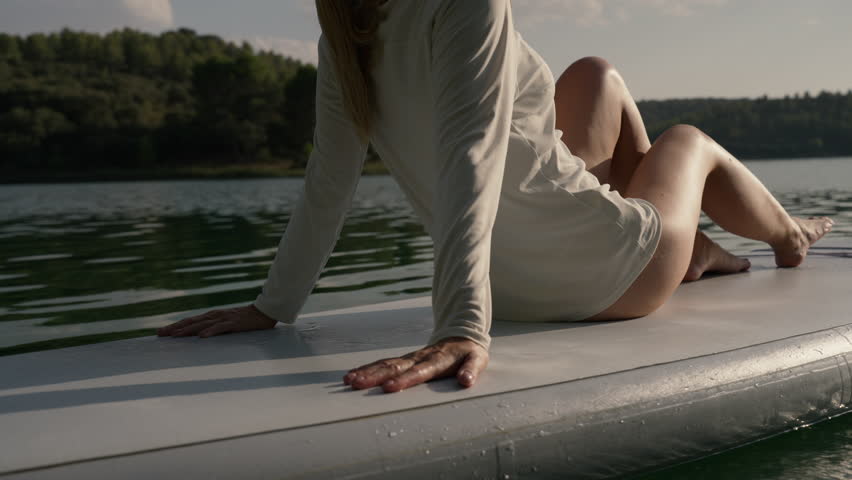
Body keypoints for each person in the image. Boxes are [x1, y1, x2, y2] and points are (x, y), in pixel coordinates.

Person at [157, 0, 834, 394]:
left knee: (596, 77)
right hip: (617, 275)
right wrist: (460, 327)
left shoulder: (348, 27)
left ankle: (704, 249)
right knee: (686, 139)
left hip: (509, 288)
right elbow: (470, 153)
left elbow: (329, 180)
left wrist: (272, 306)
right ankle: (786, 236)